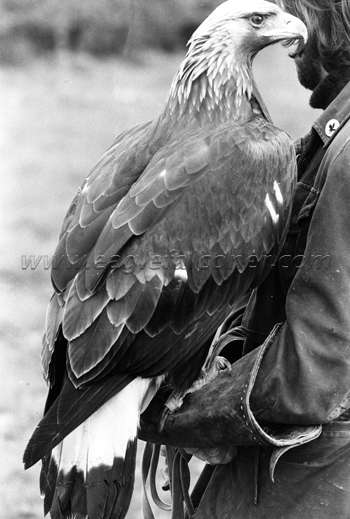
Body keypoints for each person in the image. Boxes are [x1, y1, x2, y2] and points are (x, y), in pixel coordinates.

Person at [139, 1, 350, 517]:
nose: (289, 25)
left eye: (293, 4)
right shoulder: (333, 137)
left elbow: (315, 368)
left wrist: (178, 412)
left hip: (308, 483)